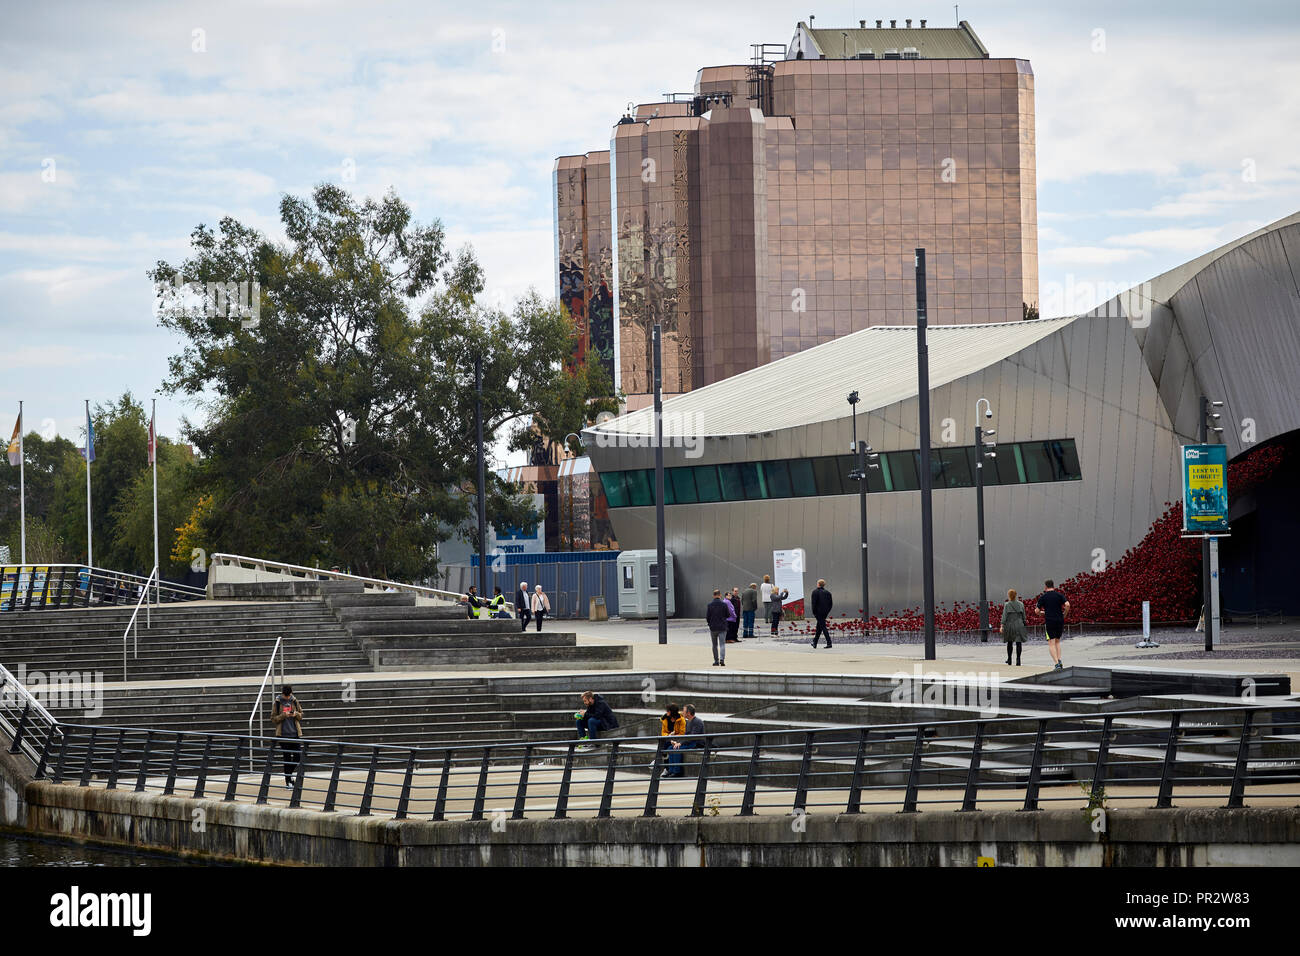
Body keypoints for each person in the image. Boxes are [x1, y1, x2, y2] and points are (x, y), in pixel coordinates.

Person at [270, 685, 304, 788]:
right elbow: (273, 718)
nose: (288, 698)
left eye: (289, 696)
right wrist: (283, 715)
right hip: (283, 735)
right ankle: (288, 781)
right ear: (283, 694)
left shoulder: (294, 700)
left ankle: (289, 776)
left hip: (294, 734)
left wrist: (295, 714)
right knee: (287, 758)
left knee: (298, 757)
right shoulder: (277, 702)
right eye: (286, 696)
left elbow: (301, 714)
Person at [1033, 579, 1071, 669]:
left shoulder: (1043, 597)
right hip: (1059, 620)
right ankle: (1059, 660)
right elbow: (1068, 605)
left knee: (1051, 642)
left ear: (1045, 587)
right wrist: (1064, 614)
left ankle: (1057, 664)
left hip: (1050, 621)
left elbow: (1036, 611)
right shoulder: (1059, 595)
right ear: (1053, 586)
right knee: (1057, 641)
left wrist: (1042, 613)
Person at [1000, 587, 1028, 666]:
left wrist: (1002, 625)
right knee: (1018, 642)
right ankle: (1018, 660)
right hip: (1019, 624)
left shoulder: (1007, 604)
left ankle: (1009, 659)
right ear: (1015, 595)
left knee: (1010, 642)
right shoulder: (1021, 604)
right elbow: (1024, 616)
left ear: (1009, 595)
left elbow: (1004, 616)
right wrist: (1024, 623)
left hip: (1010, 624)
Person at [659, 702, 686, 777]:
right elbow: (663, 732)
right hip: (668, 738)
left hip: (677, 739)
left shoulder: (681, 720)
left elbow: (682, 733)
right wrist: (669, 736)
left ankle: (671, 770)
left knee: (670, 748)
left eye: (668, 711)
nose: (666, 712)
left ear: (672, 712)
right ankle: (666, 768)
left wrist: (674, 739)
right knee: (663, 746)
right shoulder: (665, 719)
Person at [706, 588, 730, 667]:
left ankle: (716, 661)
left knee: (714, 645)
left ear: (713, 596)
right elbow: (728, 615)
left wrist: (710, 624)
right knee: (722, 644)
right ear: (720, 595)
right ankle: (722, 659)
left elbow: (707, 617)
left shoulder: (709, 605)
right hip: (722, 627)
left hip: (713, 628)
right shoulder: (724, 604)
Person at [810, 578, 833, 649]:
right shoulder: (828, 593)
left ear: (818, 584)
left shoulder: (815, 592)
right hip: (825, 612)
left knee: (822, 627)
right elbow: (830, 604)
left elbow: (814, 603)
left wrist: (814, 612)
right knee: (819, 627)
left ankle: (829, 643)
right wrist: (827, 611)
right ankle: (815, 642)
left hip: (818, 612)